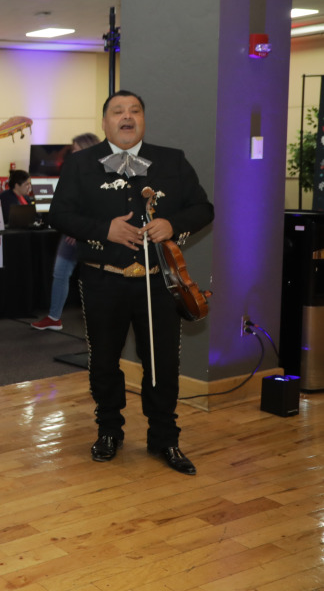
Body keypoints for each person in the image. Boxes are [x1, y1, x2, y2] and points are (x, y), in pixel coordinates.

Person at [48, 91, 214, 475]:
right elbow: (59, 214)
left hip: (159, 284)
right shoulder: (79, 164)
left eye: (134, 111)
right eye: (118, 112)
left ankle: (164, 439)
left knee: (162, 365)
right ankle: (109, 431)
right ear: (105, 121)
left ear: (144, 119)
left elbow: (204, 208)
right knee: (104, 362)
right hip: (103, 281)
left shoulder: (172, 160)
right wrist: (103, 229)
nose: (127, 117)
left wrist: (174, 224)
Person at [30, 133, 101, 331]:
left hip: (88, 234)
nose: (73, 152)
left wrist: (78, 230)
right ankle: (54, 317)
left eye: (76, 149)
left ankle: (98, 320)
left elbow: (97, 206)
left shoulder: (99, 174)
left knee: (92, 276)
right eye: (72, 149)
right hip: (71, 231)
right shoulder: (74, 170)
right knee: (60, 272)